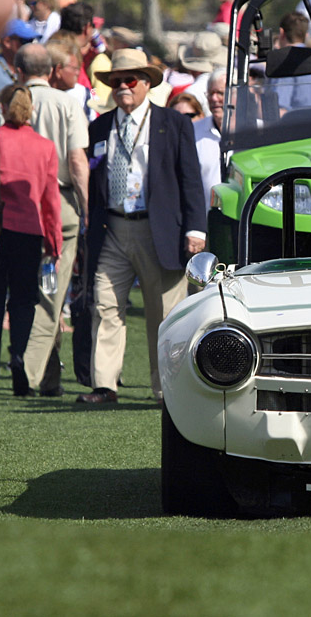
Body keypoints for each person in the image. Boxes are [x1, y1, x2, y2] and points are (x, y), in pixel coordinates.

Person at [80, 49, 207, 404]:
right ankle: (105, 385)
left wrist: (195, 229)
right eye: (116, 81)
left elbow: (190, 180)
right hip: (113, 229)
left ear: (147, 84)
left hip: (159, 229)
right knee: (105, 305)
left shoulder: (174, 123)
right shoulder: (100, 126)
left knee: (163, 314)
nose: (122, 86)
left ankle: (165, 388)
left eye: (130, 80)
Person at [0, 43, 89, 397]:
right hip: (59, 200)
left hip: (15, 205)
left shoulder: (9, 103)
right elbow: (77, 161)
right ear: (51, 71)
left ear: (17, 71)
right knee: (50, 294)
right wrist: (86, 208)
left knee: (26, 292)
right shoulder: (66, 102)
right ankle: (30, 366)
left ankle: (48, 377)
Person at [0, 84, 61, 398]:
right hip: (29, 232)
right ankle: (18, 358)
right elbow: (50, 200)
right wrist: (54, 240)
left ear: (2, 107)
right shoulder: (45, 147)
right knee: (23, 302)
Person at [273, 12, 311, 112]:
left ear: (281, 33)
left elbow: (278, 112)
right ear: (306, 35)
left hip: (294, 126)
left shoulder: (284, 66)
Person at [193, 70, 225, 213]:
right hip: (205, 224)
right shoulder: (193, 131)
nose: (214, 99)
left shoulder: (259, 131)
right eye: (210, 94)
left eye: (220, 93)